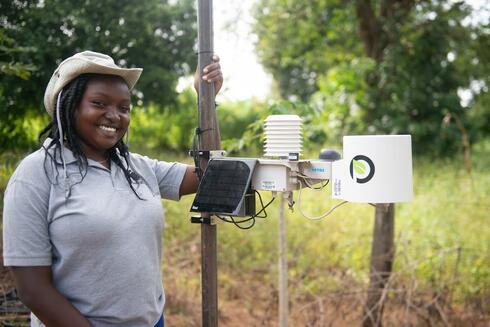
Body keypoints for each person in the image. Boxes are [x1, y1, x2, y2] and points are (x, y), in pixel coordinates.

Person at [2, 50, 223, 327]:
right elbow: (33, 289)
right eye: (99, 103)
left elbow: (211, 176)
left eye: (124, 107)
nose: (114, 116)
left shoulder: (135, 167)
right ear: (68, 107)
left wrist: (207, 100)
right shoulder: (36, 174)